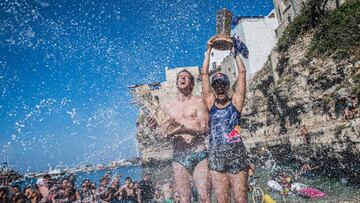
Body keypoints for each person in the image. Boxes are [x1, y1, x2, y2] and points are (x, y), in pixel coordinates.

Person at [148, 69, 211, 203]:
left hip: (198, 153)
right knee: (184, 199)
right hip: (179, 156)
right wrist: (154, 129)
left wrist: (183, 128)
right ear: (177, 83)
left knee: (205, 197)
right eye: (180, 77)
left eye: (186, 77)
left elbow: (205, 129)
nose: (182, 78)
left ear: (192, 83)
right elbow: (161, 136)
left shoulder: (199, 102)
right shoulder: (168, 107)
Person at [201, 35, 249, 203]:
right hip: (216, 154)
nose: (220, 87)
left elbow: (242, 73)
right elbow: (204, 74)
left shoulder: (236, 103)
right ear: (214, 88)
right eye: (217, 85)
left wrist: (234, 52)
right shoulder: (210, 103)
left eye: (223, 84)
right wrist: (209, 51)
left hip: (237, 153)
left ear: (228, 86)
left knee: (241, 199)